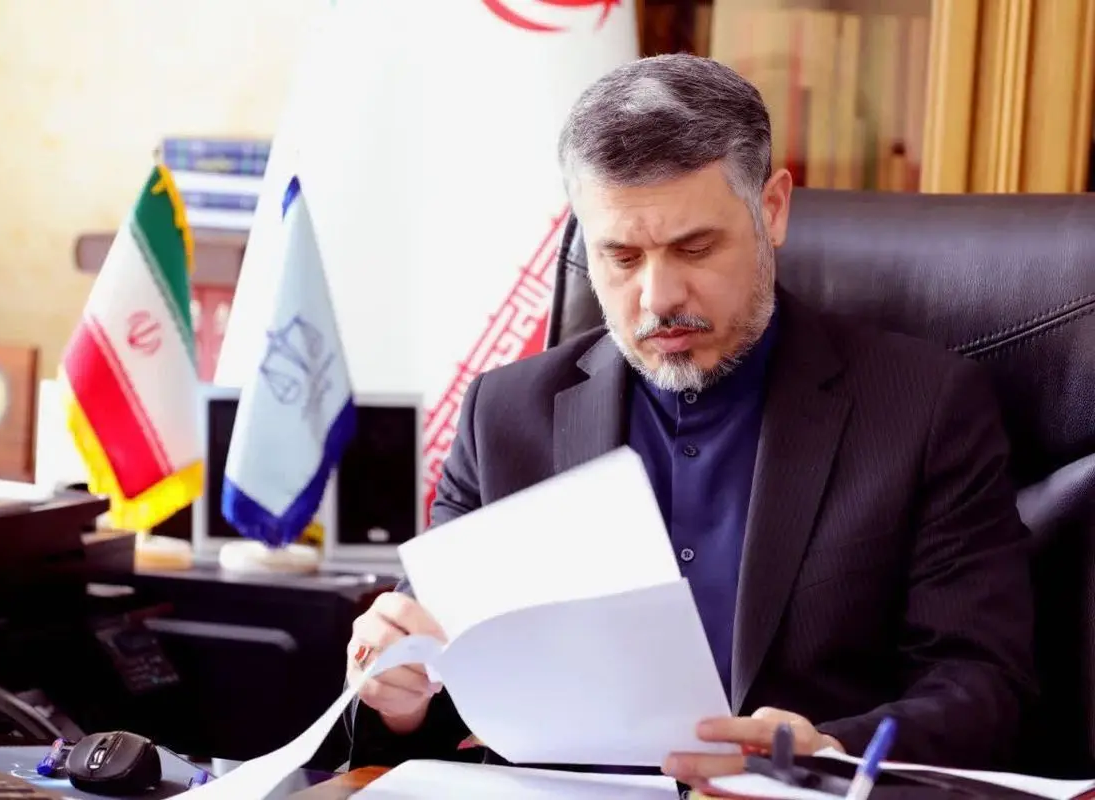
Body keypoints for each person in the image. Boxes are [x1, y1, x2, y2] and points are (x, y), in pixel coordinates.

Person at [343, 53, 1037, 784]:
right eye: (621, 257)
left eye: (695, 248)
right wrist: (398, 694)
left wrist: (827, 752)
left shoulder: (924, 407)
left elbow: (986, 689)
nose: (659, 297)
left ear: (772, 210)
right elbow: (442, 689)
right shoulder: (506, 415)